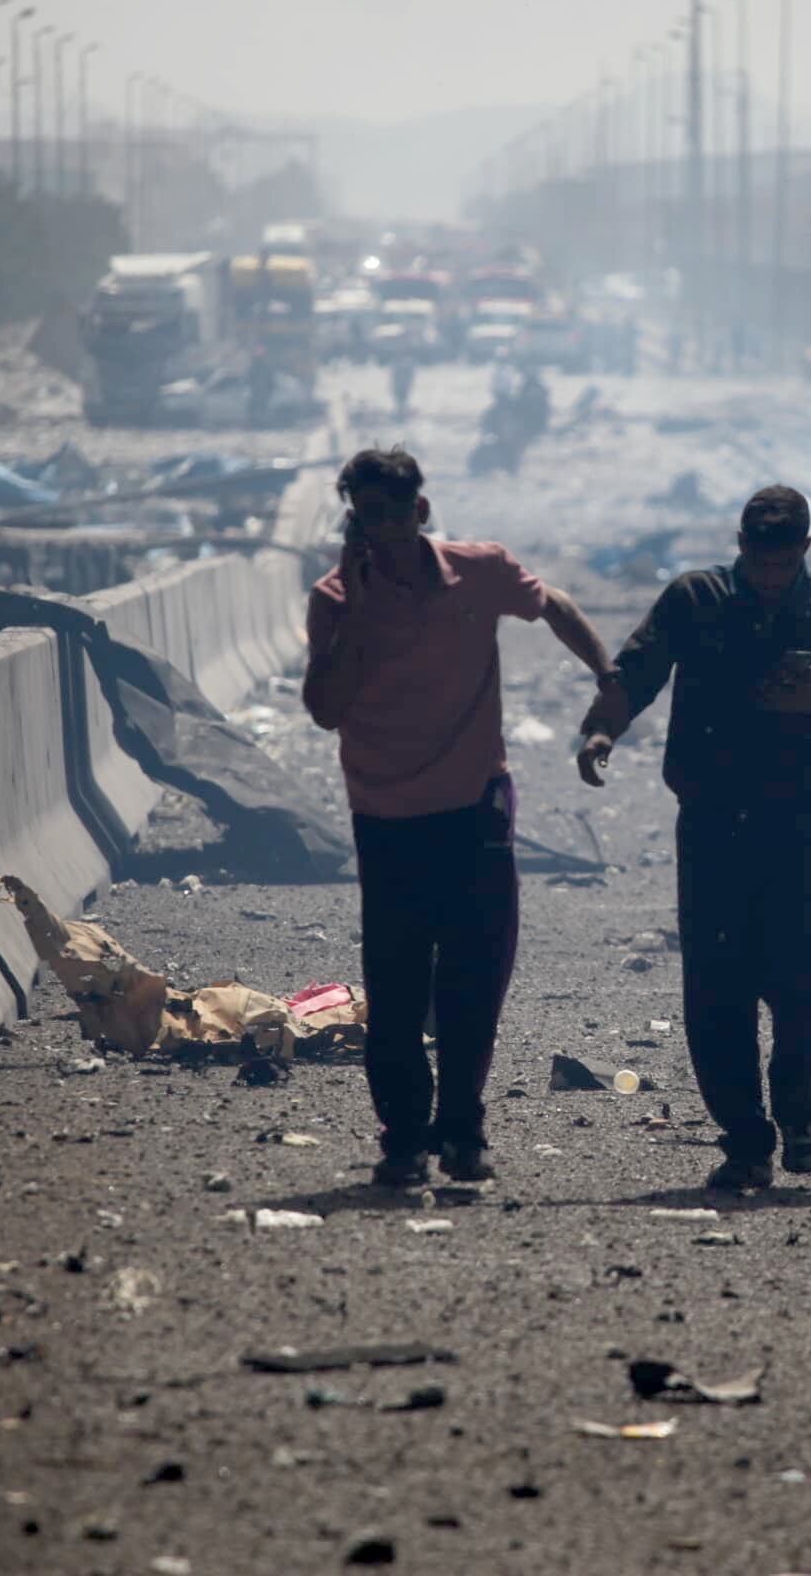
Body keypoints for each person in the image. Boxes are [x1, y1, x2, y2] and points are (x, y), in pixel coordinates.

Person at [303, 446, 618, 1189]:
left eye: (387, 515)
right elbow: (323, 709)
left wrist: (609, 679)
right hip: (385, 814)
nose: (375, 530)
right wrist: (357, 605)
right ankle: (404, 1138)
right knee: (399, 982)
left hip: (476, 803)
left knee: (477, 977)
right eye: (362, 518)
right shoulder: (336, 597)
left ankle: (463, 1129)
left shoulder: (478, 571)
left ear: (419, 512)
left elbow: (555, 607)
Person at [578, 486, 811, 1193]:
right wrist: (602, 730)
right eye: (758, 561)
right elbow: (639, 670)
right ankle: (746, 1140)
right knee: (717, 987)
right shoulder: (696, 599)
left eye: (782, 565)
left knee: (807, 975)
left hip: (800, 823)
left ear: (805, 551)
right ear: (740, 546)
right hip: (714, 824)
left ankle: (796, 1109)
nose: (769, 577)